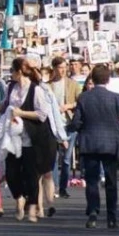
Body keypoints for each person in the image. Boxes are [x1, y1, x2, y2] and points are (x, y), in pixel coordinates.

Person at [69, 64, 119, 229]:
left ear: (92, 79)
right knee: (111, 181)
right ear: (108, 79)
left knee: (92, 180)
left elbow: (76, 122)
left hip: (90, 143)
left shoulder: (84, 98)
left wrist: (74, 129)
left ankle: (93, 212)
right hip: (111, 143)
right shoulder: (116, 97)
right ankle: (112, 216)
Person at [0, 57, 54, 223]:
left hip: (31, 137)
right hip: (13, 136)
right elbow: (5, 104)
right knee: (12, 172)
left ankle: (31, 207)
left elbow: (42, 114)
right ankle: (19, 197)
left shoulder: (35, 90)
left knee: (31, 173)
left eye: (13, 71)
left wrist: (22, 113)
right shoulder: (11, 88)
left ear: (19, 71)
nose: (11, 75)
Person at [50, 56, 81, 199]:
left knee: (67, 158)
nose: (62, 70)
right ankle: (55, 186)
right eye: (59, 67)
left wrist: (68, 106)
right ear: (54, 69)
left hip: (68, 123)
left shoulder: (73, 84)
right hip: (54, 125)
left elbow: (80, 100)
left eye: (64, 67)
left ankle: (63, 187)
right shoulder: (48, 85)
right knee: (54, 158)